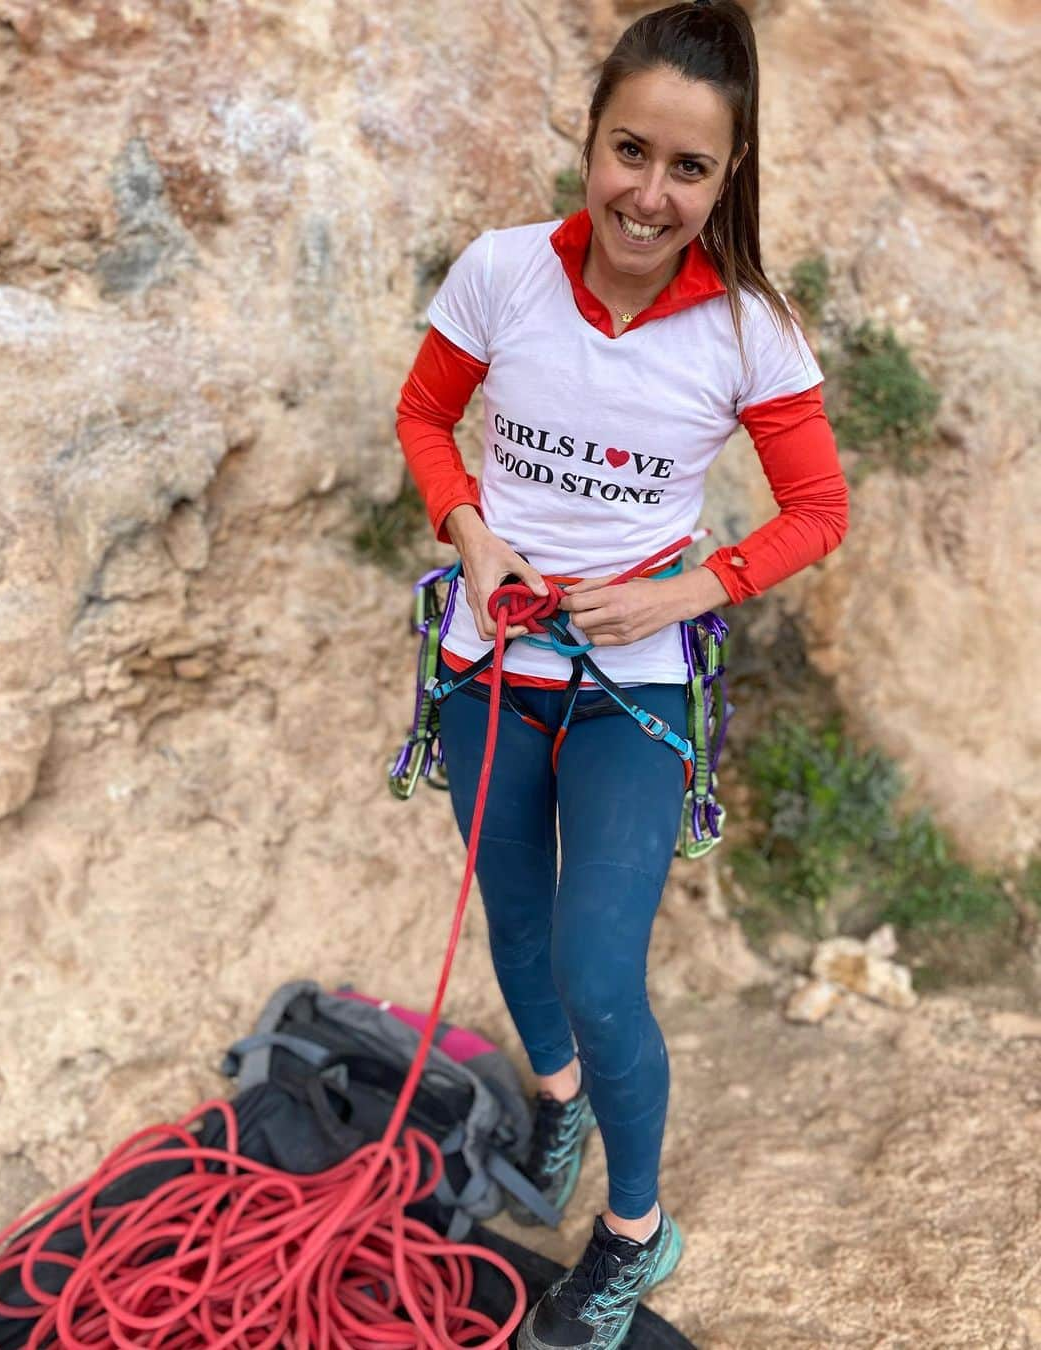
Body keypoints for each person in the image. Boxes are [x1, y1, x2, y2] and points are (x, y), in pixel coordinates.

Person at [395, 3, 849, 1345]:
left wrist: (677, 588)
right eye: (628, 151)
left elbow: (814, 511)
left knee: (600, 966)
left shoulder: (749, 333)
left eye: (690, 168)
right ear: (589, 139)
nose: (650, 194)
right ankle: (555, 1102)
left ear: (730, 173)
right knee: (517, 932)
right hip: (490, 662)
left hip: (630, 689)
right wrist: (471, 532)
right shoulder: (502, 272)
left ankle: (634, 1234)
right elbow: (425, 417)